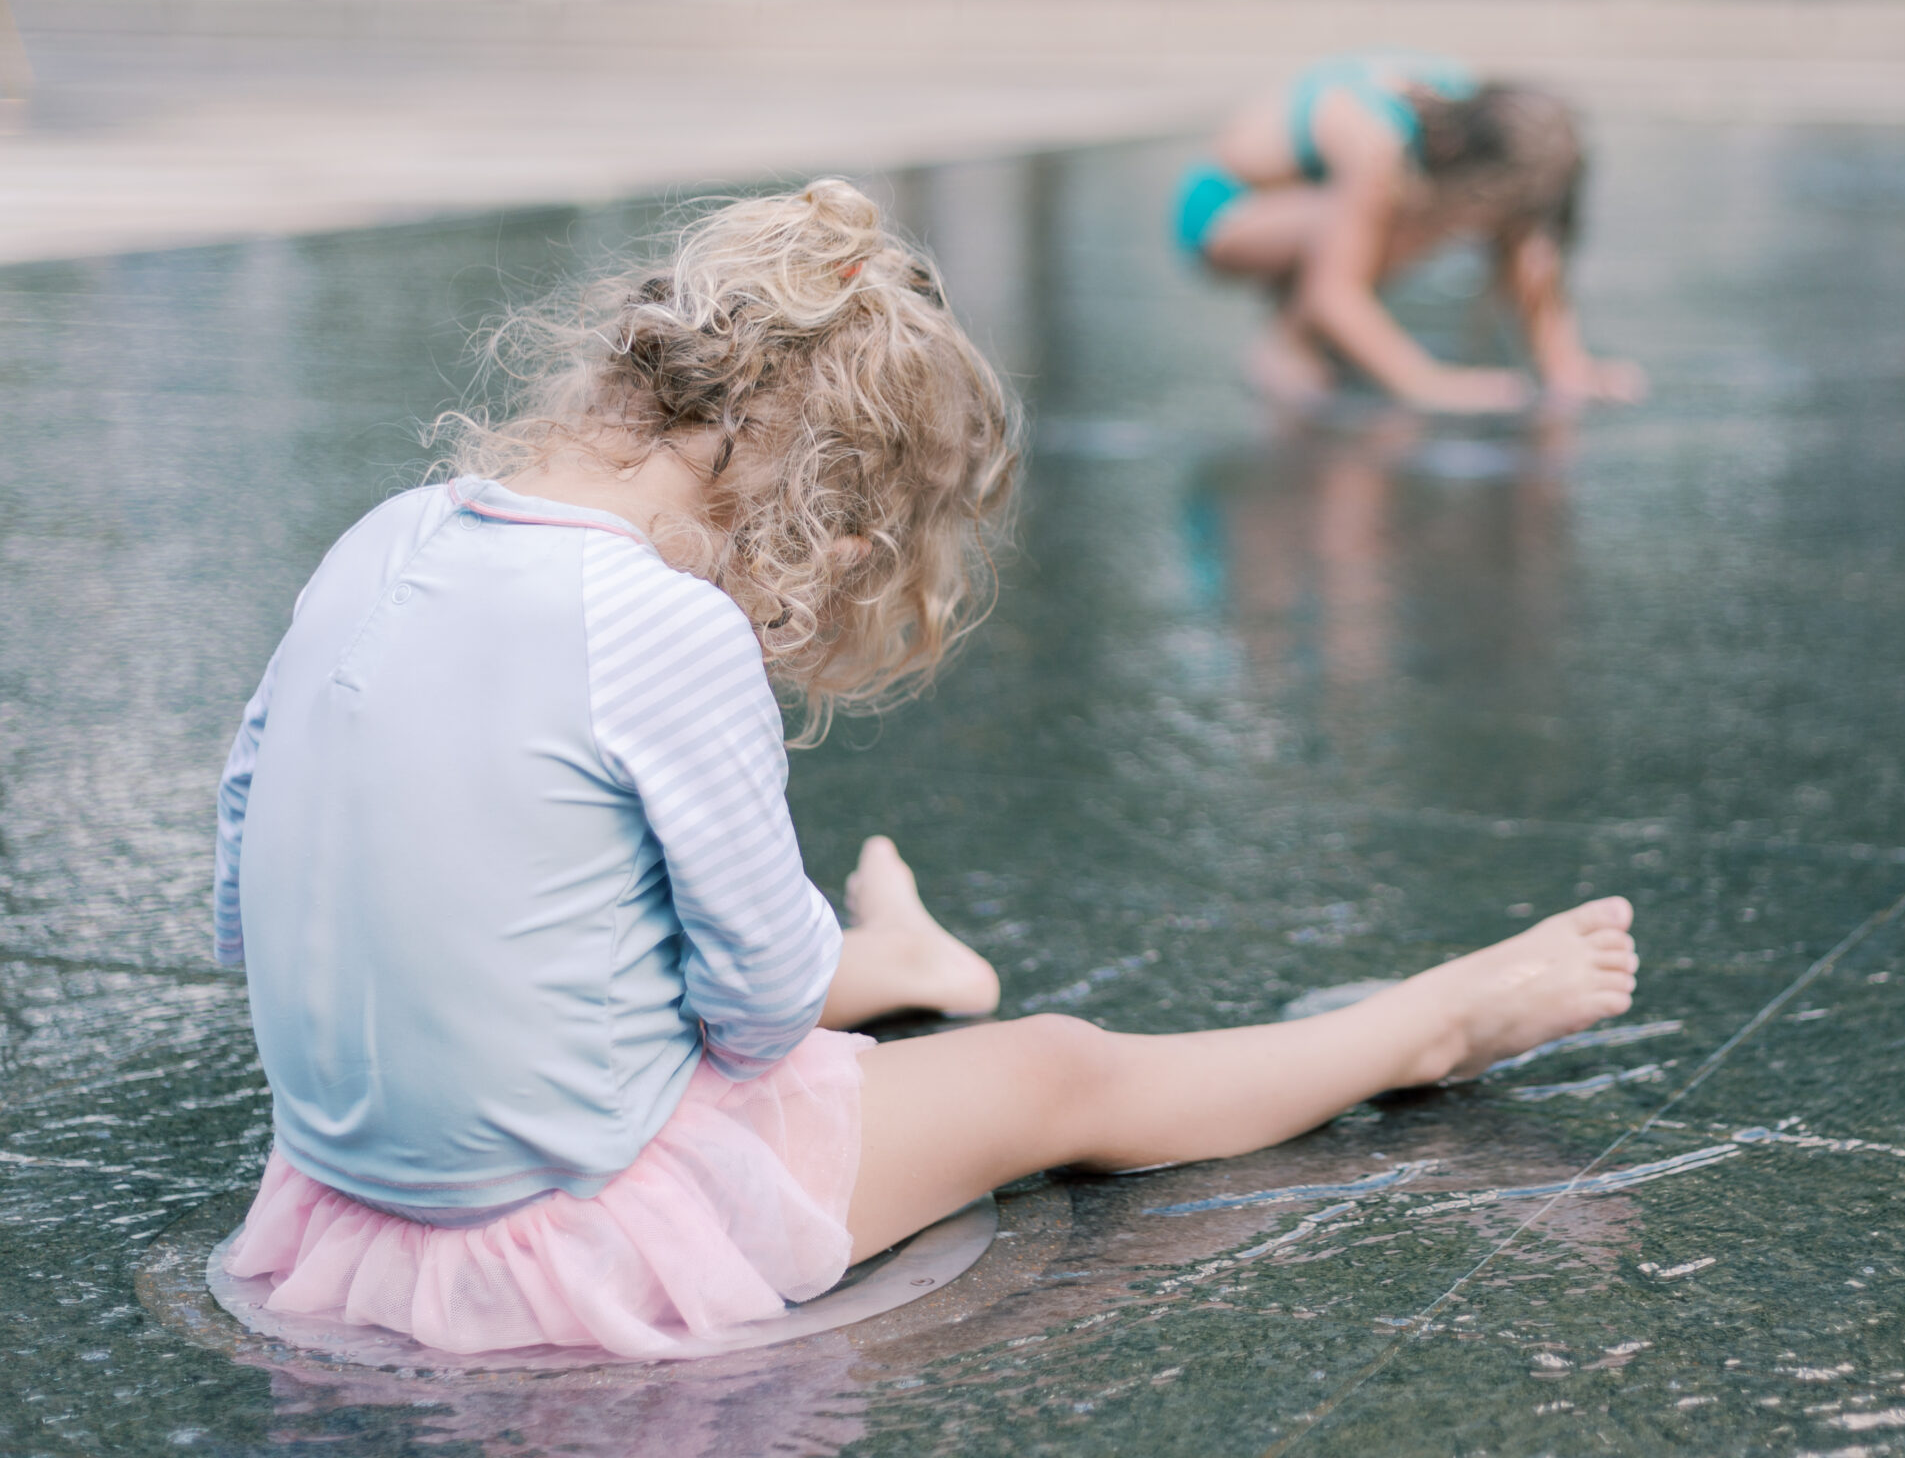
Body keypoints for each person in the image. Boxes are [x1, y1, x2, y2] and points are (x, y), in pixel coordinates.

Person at [212, 178, 1640, 1360]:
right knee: (1058, 1076)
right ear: (825, 504)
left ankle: (897, 962)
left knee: (615, 922)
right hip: (571, 1230)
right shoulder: (661, 623)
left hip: (340, 1203)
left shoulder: (385, 535)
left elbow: (239, 897)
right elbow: (762, 1018)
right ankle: (1425, 1026)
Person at [1174, 52, 1648, 413]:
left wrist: (1566, 368)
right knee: (1386, 214)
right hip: (1221, 215)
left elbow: (1531, 250)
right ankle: (1284, 350)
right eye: (1496, 202)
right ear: (1460, 150)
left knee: (1406, 213)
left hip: (1307, 206)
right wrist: (1427, 382)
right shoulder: (1375, 145)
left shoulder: (1489, 132)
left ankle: (1312, 342)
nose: (1490, 226)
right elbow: (1336, 291)